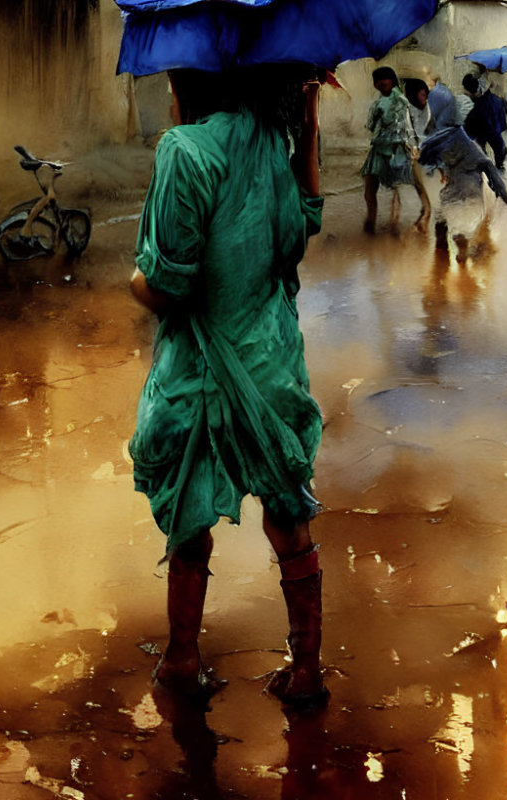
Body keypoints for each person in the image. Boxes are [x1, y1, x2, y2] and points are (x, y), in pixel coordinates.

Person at [128, 65, 329, 706]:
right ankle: (306, 671)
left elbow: (169, 285)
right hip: (269, 365)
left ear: (189, 81)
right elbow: (306, 224)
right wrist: (308, 127)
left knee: (188, 522)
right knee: (288, 513)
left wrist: (133, 284)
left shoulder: (184, 151)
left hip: (196, 371)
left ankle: (183, 658)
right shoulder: (271, 142)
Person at [419, 124, 507, 263]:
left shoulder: (445, 151)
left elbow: (429, 161)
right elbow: (490, 168)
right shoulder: (474, 152)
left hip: (451, 195)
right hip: (471, 194)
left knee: (444, 222)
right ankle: (461, 247)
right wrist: (503, 194)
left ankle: (444, 252)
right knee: (466, 226)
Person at [361, 66, 414, 234]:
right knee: (378, 186)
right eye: (377, 84)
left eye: (382, 83)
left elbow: (379, 123)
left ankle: (387, 223)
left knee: (389, 188)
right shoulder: (385, 99)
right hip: (382, 148)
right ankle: (375, 222)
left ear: (391, 82)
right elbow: (371, 124)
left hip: (394, 149)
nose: (379, 86)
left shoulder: (397, 101)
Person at [404, 77, 434, 232]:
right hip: (413, 152)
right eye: (422, 95)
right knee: (419, 186)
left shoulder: (427, 107)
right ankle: (425, 213)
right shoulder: (407, 109)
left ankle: (426, 214)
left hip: (426, 150)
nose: (425, 99)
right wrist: (414, 147)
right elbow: (408, 130)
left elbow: (428, 129)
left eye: (426, 95)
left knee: (423, 186)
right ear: (414, 95)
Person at [462, 73, 507, 170]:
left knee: (484, 156)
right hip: (495, 133)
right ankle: (499, 170)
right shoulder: (494, 99)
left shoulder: (476, 109)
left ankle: (493, 174)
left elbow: (469, 130)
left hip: (485, 133)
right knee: (500, 153)